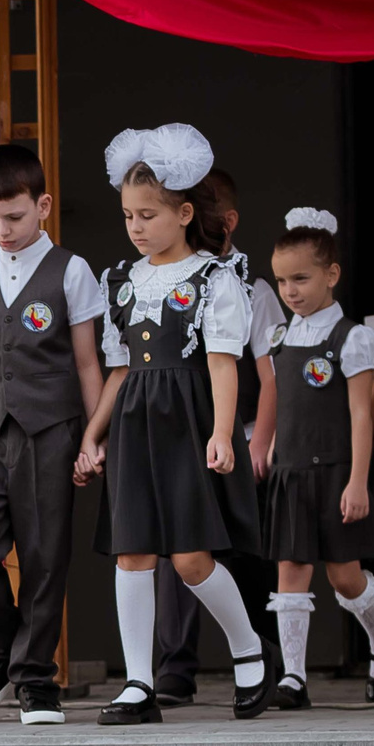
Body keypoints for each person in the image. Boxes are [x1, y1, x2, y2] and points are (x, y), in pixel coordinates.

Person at [77, 123, 277, 725]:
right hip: (136, 424)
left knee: (191, 558)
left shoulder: (215, 280)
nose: (136, 227)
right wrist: (94, 433)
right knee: (131, 553)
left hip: (188, 423)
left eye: (149, 214)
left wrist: (223, 432)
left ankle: (250, 651)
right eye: (128, 215)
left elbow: (222, 364)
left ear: (185, 213)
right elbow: (118, 372)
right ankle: (139, 683)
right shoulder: (121, 281)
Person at [0, 143, 108, 725]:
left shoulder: (70, 270)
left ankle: (36, 681)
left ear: (43, 206)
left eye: (14, 217)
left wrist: (92, 437)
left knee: (43, 556)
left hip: (49, 432)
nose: (1, 230)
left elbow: (87, 364)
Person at [251, 210, 374, 708]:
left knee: (344, 574)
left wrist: (358, 482)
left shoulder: (352, 338)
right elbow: (276, 399)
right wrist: (267, 447)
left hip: (337, 471)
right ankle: (293, 677)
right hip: (291, 473)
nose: (290, 290)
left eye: (301, 278)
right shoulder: (278, 338)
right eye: (282, 280)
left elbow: (362, 415)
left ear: (331, 275)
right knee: (291, 571)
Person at [149, 169, 286, 705]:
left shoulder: (250, 286)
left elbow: (270, 375)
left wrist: (259, 442)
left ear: (223, 221)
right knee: (176, 553)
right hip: (183, 437)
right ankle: (173, 669)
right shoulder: (164, 280)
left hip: (241, 436)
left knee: (244, 554)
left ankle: (263, 660)